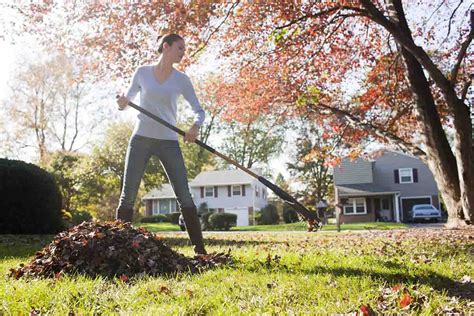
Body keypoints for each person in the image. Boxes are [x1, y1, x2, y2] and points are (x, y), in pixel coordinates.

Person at [116, 33, 206, 255]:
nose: (183, 52)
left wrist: (195, 127)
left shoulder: (182, 80)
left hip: (168, 141)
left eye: (184, 49)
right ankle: (118, 247)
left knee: (184, 194)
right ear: (166, 47)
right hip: (141, 139)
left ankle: (200, 250)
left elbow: (199, 111)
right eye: (180, 48)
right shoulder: (142, 73)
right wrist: (122, 103)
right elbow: (126, 103)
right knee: (128, 195)